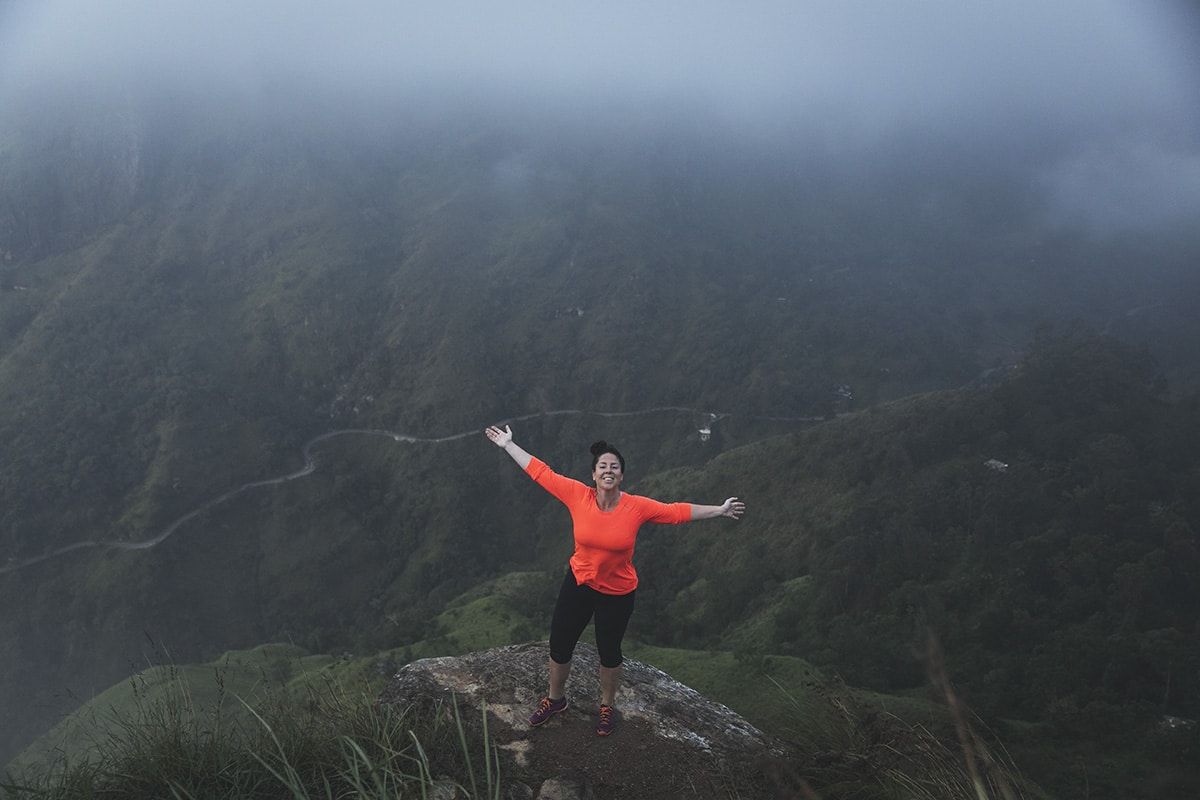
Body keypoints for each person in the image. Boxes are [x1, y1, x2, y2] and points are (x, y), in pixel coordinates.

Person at [485, 424, 745, 736]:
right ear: (593, 475)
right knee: (559, 643)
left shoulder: (635, 507)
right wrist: (509, 445)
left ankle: (606, 705)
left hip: (617, 592)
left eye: (615, 467)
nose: (609, 470)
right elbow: (541, 472)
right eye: (603, 466)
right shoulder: (577, 495)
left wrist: (719, 510)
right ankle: (555, 699)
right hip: (579, 583)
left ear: (621, 476)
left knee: (609, 651)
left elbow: (676, 511)